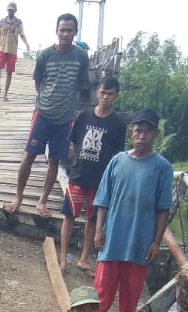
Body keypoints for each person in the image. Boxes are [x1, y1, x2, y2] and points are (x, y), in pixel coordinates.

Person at [91, 107, 173, 312]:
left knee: (130, 296)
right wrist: (99, 231)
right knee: (102, 291)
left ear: (156, 135)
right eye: (138, 130)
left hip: (140, 243)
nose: (142, 135)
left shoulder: (162, 167)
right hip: (113, 237)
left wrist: (156, 241)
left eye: (147, 131)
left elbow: (163, 208)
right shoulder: (117, 161)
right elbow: (103, 200)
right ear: (131, 133)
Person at [5, 14, 89, 216]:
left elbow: (81, 83)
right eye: (62, 30)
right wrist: (47, 98)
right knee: (29, 156)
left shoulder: (81, 56)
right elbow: (38, 82)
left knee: (54, 160)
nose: (65, 34)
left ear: (75, 32)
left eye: (69, 30)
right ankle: (18, 195)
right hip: (42, 113)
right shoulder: (45, 55)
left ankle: (42, 201)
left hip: (65, 118)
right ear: (56, 30)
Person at [58, 76, 126, 269]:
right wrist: (72, 162)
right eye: (103, 93)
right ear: (97, 93)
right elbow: (73, 143)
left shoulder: (119, 124)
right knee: (69, 216)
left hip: (100, 181)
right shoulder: (83, 115)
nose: (105, 97)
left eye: (110, 94)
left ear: (116, 96)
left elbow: (118, 155)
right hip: (78, 175)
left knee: (93, 219)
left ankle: (83, 258)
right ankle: (63, 257)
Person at [0, 3, 32, 99]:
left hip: (12, 50)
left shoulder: (18, 23)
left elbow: (22, 34)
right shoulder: (2, 22)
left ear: (15, 11)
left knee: (9, 72)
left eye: (12, 10)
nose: (10, 12)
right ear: (7, 10)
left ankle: (5, 94)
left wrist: (26, 43)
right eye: (9, 10)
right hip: (2, 48)